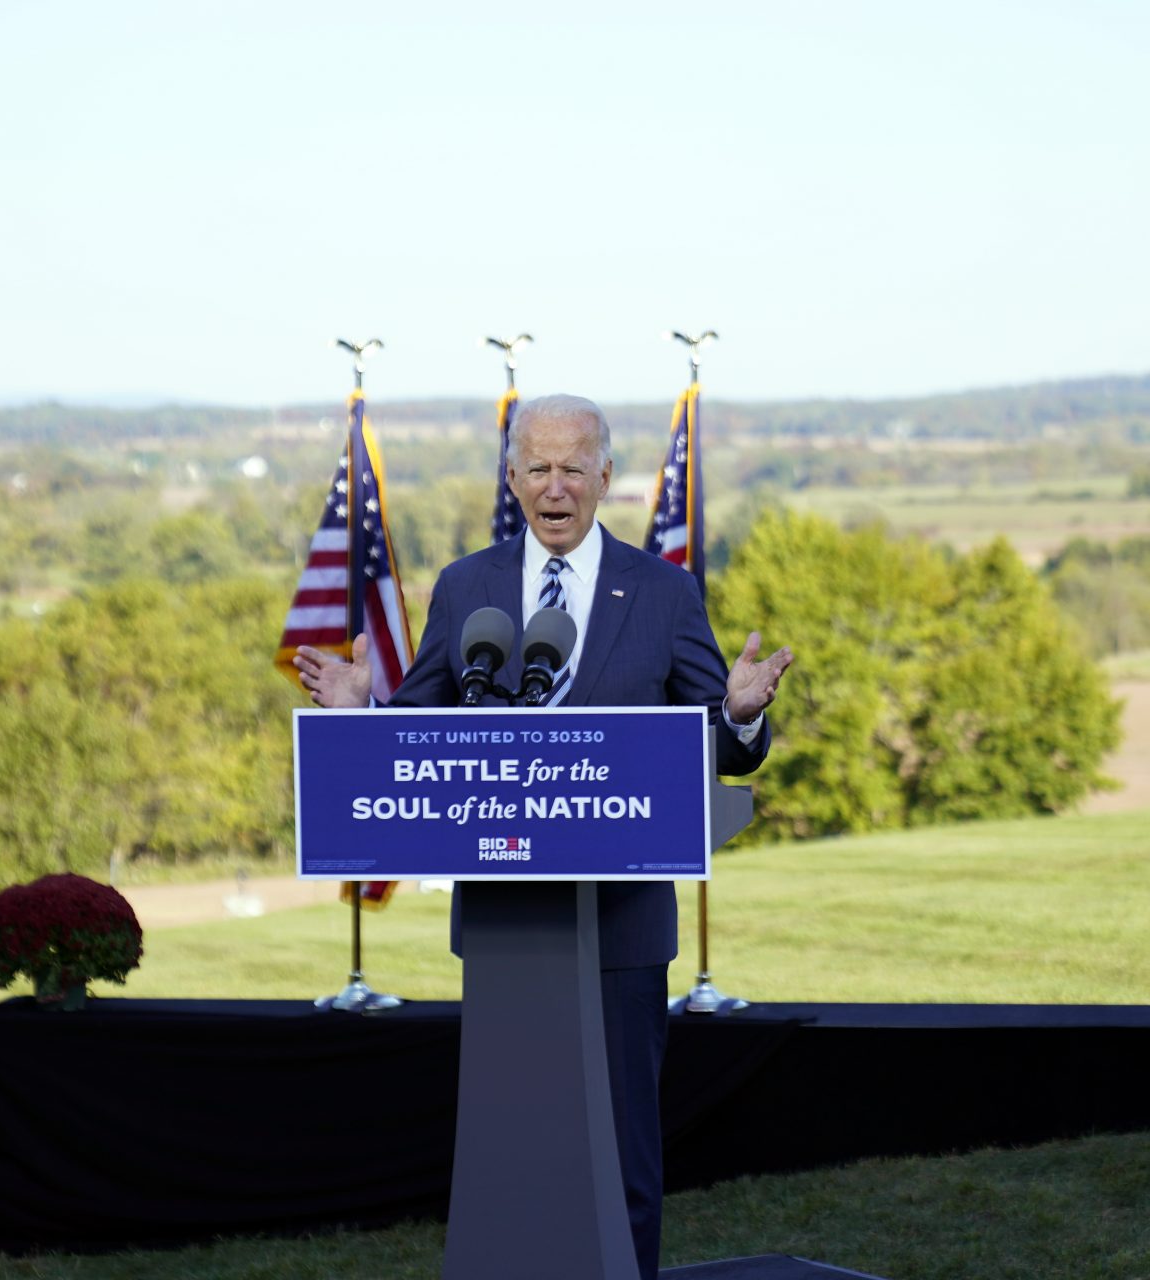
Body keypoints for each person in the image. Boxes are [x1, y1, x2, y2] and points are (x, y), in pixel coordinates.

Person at [294, 393, 791, 1280]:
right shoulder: (467, 587)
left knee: (622, 1148)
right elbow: (422, 740)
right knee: (513, 1140)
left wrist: (737, 714)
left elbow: (707, 746)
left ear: (605, 478)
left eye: (572, 468)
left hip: (622, 924)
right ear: (512, 477)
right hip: (505, 927)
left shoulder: (665, 592)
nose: (554, 486)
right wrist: (360, 711)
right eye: (537, 468)